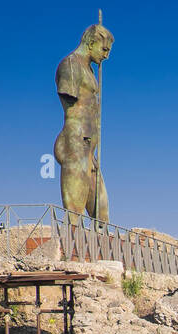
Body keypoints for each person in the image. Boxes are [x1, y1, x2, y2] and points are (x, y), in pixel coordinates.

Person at [53, 23, 114, 223]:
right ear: (90, 42)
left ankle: (99, 249)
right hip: (76, 140)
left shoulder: (88, 69)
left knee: (101, 209)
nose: (106, 56)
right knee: (75, 211)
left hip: (88, 146)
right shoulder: (71, 64)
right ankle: (70, 250)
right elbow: (71, 104)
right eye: (104, 49)